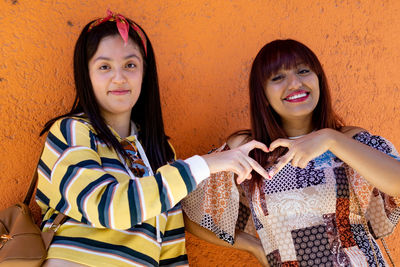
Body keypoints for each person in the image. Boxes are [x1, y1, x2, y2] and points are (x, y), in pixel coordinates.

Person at [36, 10, 270, 267]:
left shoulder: (158, 150)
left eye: (130, 65)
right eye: (104, 66)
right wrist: (205, 165)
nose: (119, 77)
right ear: (86, 75)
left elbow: (170, 247)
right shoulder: (72, 131)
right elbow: (107, 206)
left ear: (145, 73)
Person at [182, 39, 400, 266]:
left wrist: (330, 138)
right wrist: (254, 246)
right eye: (278, 77)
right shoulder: (251, 151)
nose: (295, 83)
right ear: (263, 96)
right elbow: (191, 209)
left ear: (319, 80)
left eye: (303, 71)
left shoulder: (349, 140)